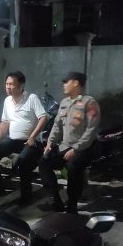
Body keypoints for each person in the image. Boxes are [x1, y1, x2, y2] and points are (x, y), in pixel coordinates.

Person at [38, 72, 100, 214]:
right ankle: (55, 200)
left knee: (73, 168)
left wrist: (76, 149)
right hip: (65, 146)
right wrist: (50, 143)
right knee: (44, 162)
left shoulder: (89, 103)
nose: (63, 85)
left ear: (76, 83)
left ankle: (72, 205)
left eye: (67, 82)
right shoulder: (64, 103)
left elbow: (91, 131)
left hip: (85, 148)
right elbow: (57, 126)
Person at [0, 71, 48, 204]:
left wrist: (32, 136)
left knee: (23, 160)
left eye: (11, 84)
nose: (8, 87)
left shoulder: (32, 98)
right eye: (6, 84)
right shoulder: (7, 101)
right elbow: (5, 122)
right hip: (13, 140)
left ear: (21, 86)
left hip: (30, 141)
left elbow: (43, 118)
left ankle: (26, 196)